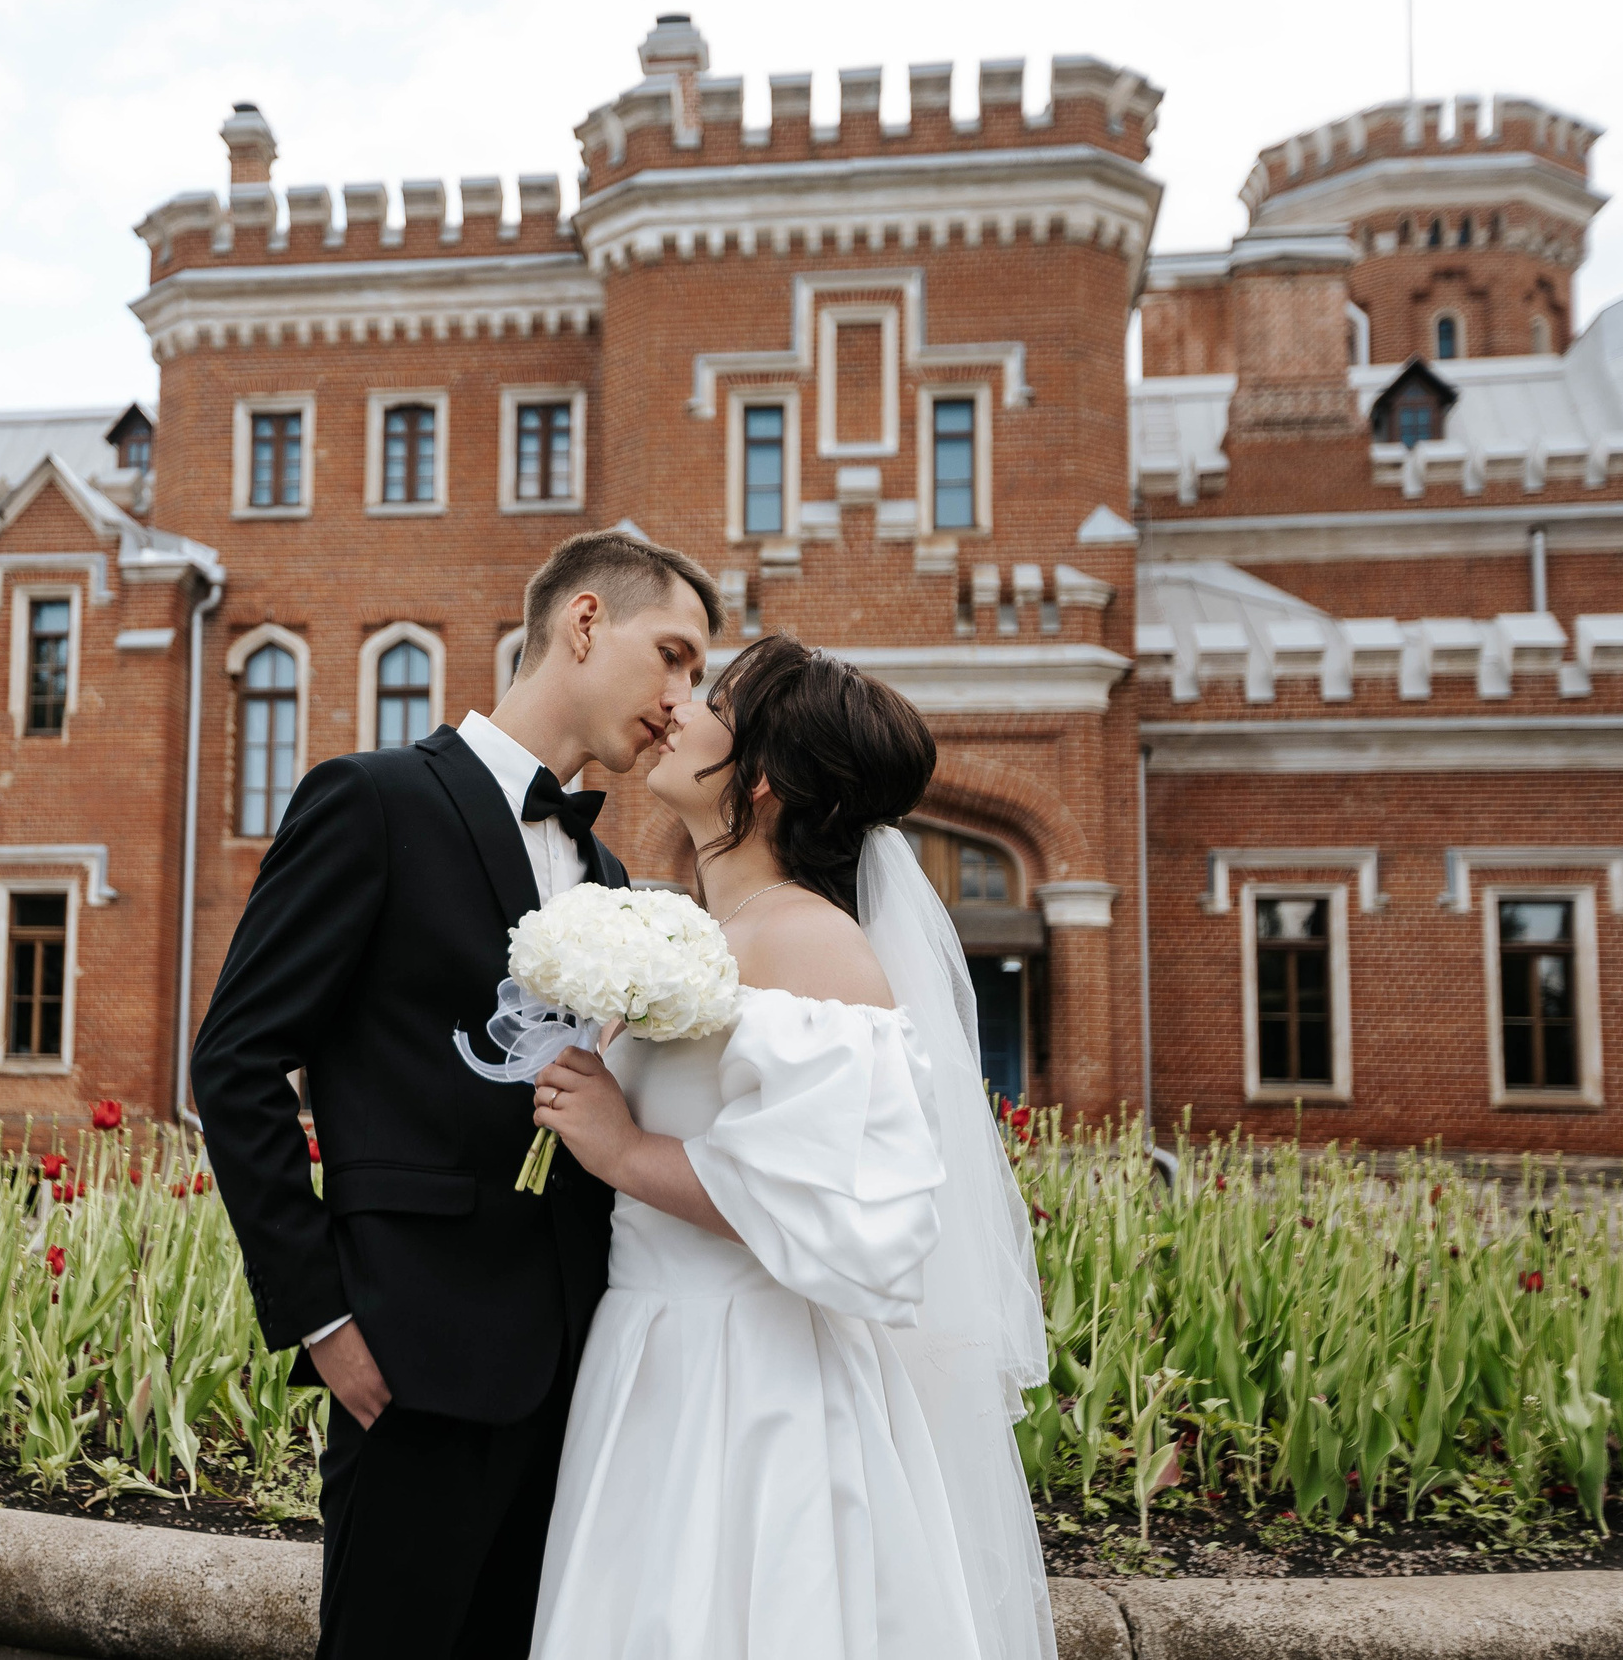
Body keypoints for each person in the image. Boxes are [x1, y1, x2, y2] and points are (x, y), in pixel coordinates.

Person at [191, 530, 723, 1660]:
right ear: (586, 622)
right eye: (672, 656)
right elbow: (235, 1061)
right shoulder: (371, 800)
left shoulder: (611, 879)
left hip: (577, 1380)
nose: (683, 699)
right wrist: (324, 1321)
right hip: (410, 1365)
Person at [526, 635, 1055, 1660]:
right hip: (653, 1350)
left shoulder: (810, 939)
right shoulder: (710, 929)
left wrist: (623, 1152)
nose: (677, 709)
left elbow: (831, 1202)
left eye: (713, 703)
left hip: (747, 1379)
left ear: (761, 776)